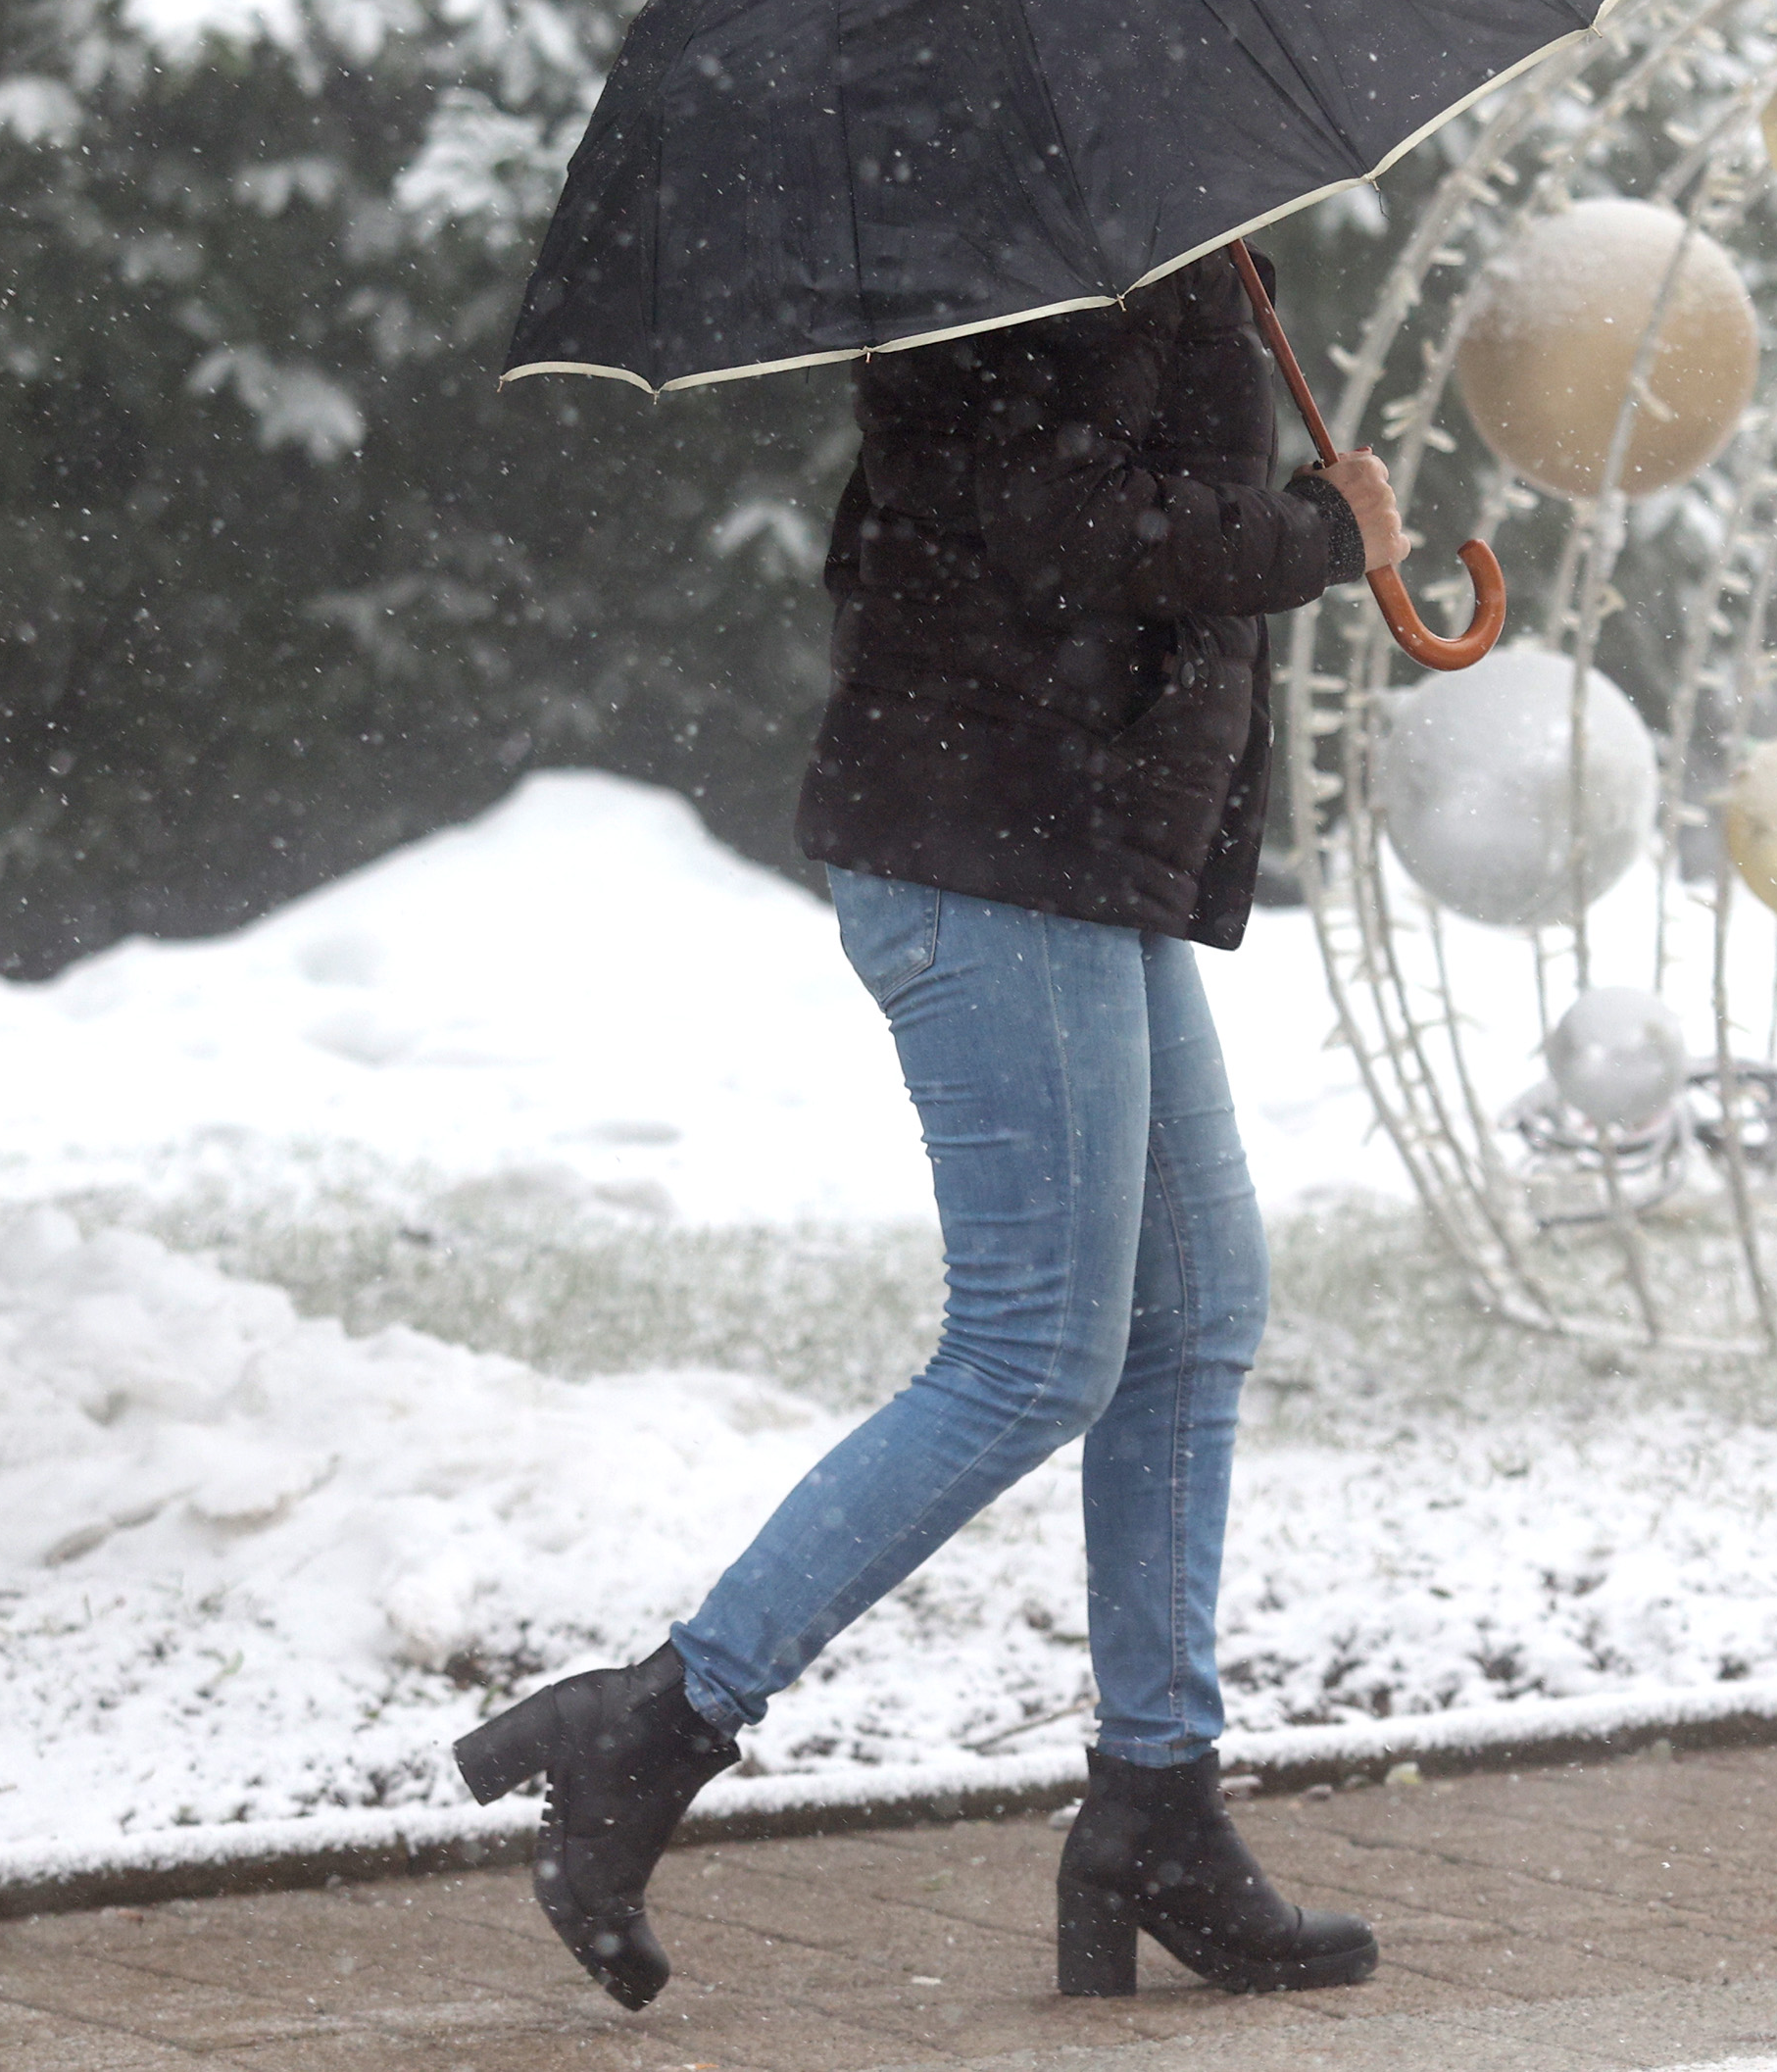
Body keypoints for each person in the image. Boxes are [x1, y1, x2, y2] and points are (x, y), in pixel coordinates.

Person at [454, 248, 1407, 2011]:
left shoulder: (1134, 211)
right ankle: (653, 1730)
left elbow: (1120, 514)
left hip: (1079, 845)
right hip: (988, 843)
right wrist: (1314, 535)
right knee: (1038, 1349)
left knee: (1193, 1321)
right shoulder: (998, 242)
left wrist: (1294, 509)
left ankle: (1158, 1809)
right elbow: (1073, 534)